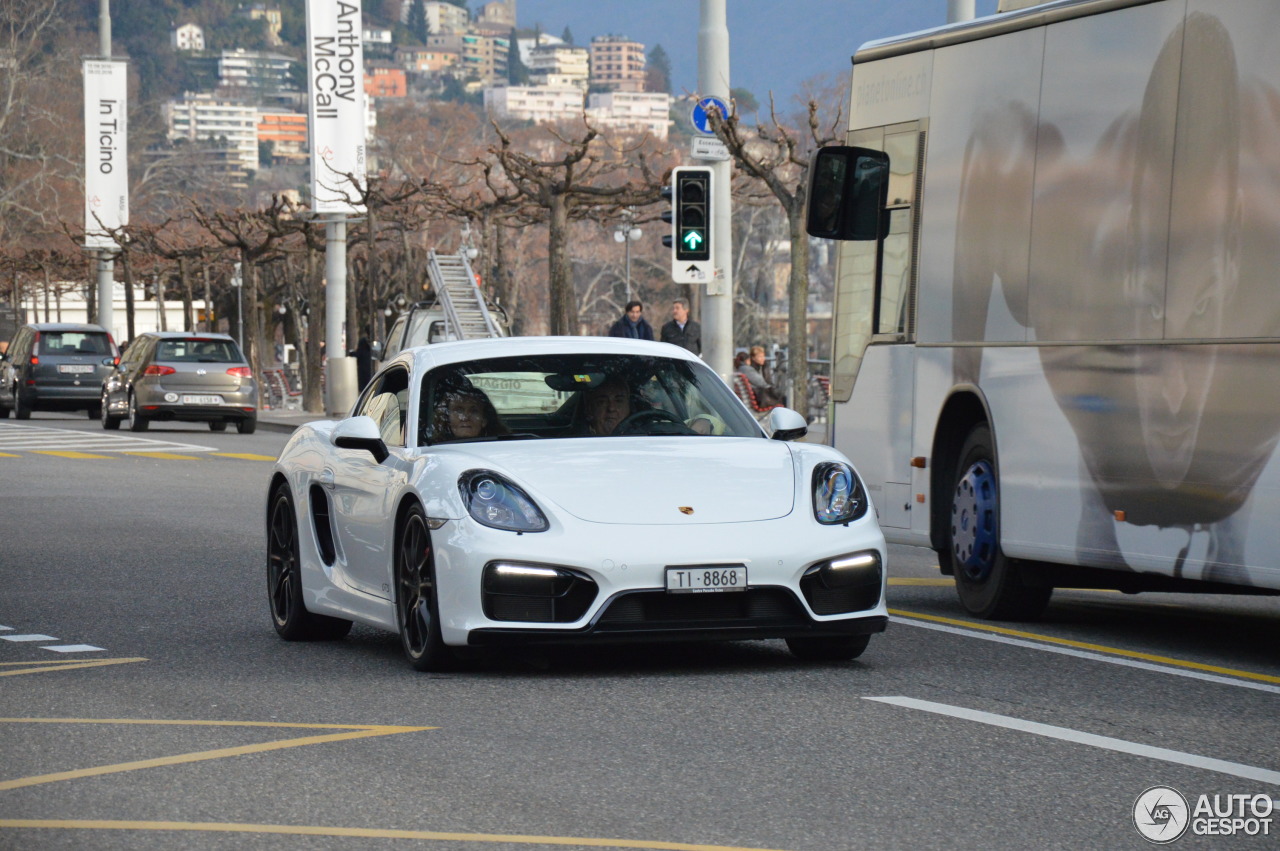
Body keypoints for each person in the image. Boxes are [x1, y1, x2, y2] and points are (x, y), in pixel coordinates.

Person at [429, 380, 508, 442]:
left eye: (474, 411)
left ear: (484, 420)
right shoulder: (432, 449)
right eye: (458, 411)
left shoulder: (502, 446)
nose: (465, 417)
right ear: (447, 418)